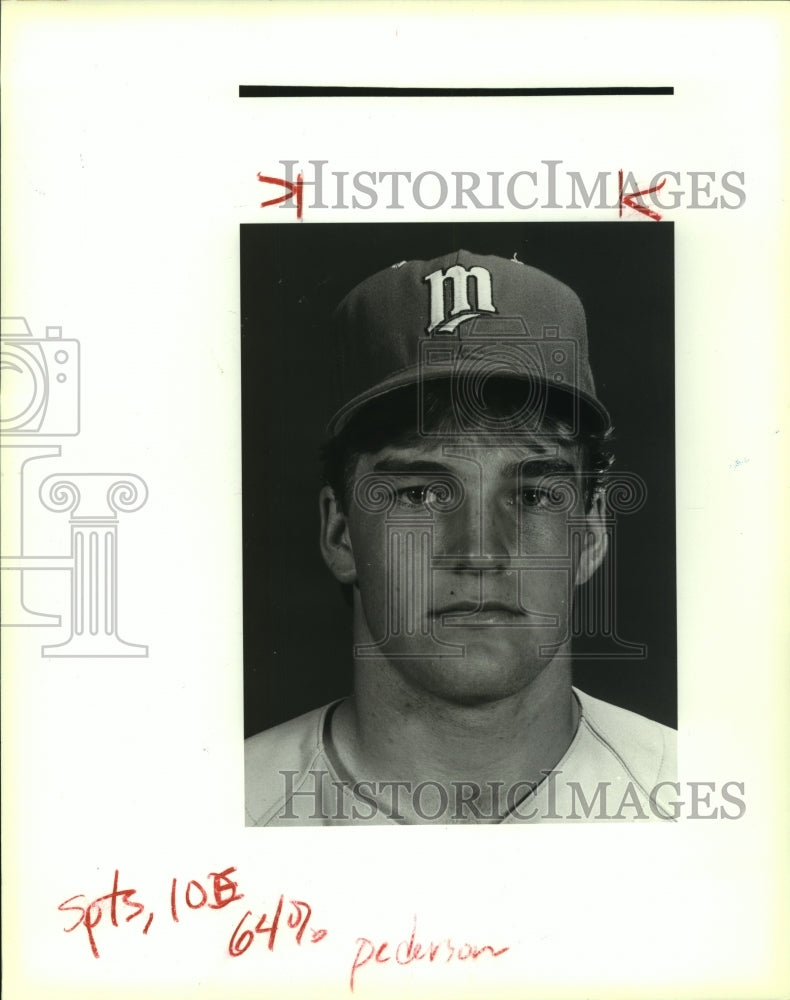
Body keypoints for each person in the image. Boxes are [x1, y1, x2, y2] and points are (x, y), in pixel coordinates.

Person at [245, 249, 677, 825]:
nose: (480, 552)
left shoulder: (711, 806)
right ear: (341, 532)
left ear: (591, 532)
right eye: (421, 493)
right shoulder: (203, 815)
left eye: (532, 495)